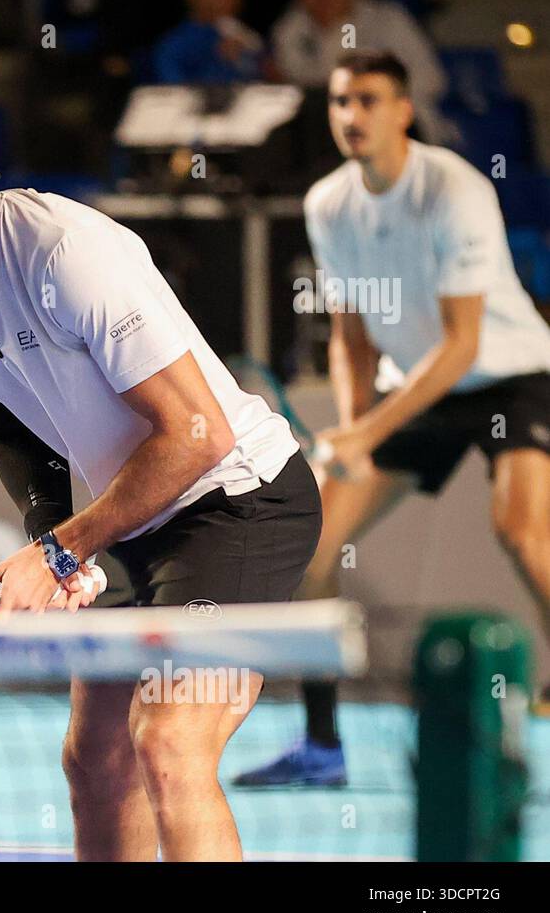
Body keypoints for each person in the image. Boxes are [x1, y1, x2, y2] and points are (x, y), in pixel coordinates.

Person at [0, 55, 321, 860]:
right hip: (134, 515)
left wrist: (64, 548)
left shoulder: (63, 250)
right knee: (95, 759)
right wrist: (50, 538)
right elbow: (15, 435)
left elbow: (200, 434)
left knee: (169, 743)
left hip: (237, 502)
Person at [234, 51, 550, 788]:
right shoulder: (328, 204)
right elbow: (350, 334)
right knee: (311, 544)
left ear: (403, 110)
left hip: (510, 377)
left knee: (521, 529)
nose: (352, 115)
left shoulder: (454, 188)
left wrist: (370, 432)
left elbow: (462, 341)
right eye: (342, 102)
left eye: (369, 100)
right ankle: (320, 748)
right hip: (415, 389)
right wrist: (350, 427)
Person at [271, 0, 450, 143]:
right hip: (325, 133)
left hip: (399, 126)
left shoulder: (388, 20)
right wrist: (333, 31)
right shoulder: (291, 28)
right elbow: (304, 86)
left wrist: (379, 99)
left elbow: (430, 79)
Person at [153, 0, 266, 85]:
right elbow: (174, 90)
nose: (227, 0)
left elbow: (266, 81)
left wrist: (243, 60)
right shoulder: (174, 45)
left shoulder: (248, 38)